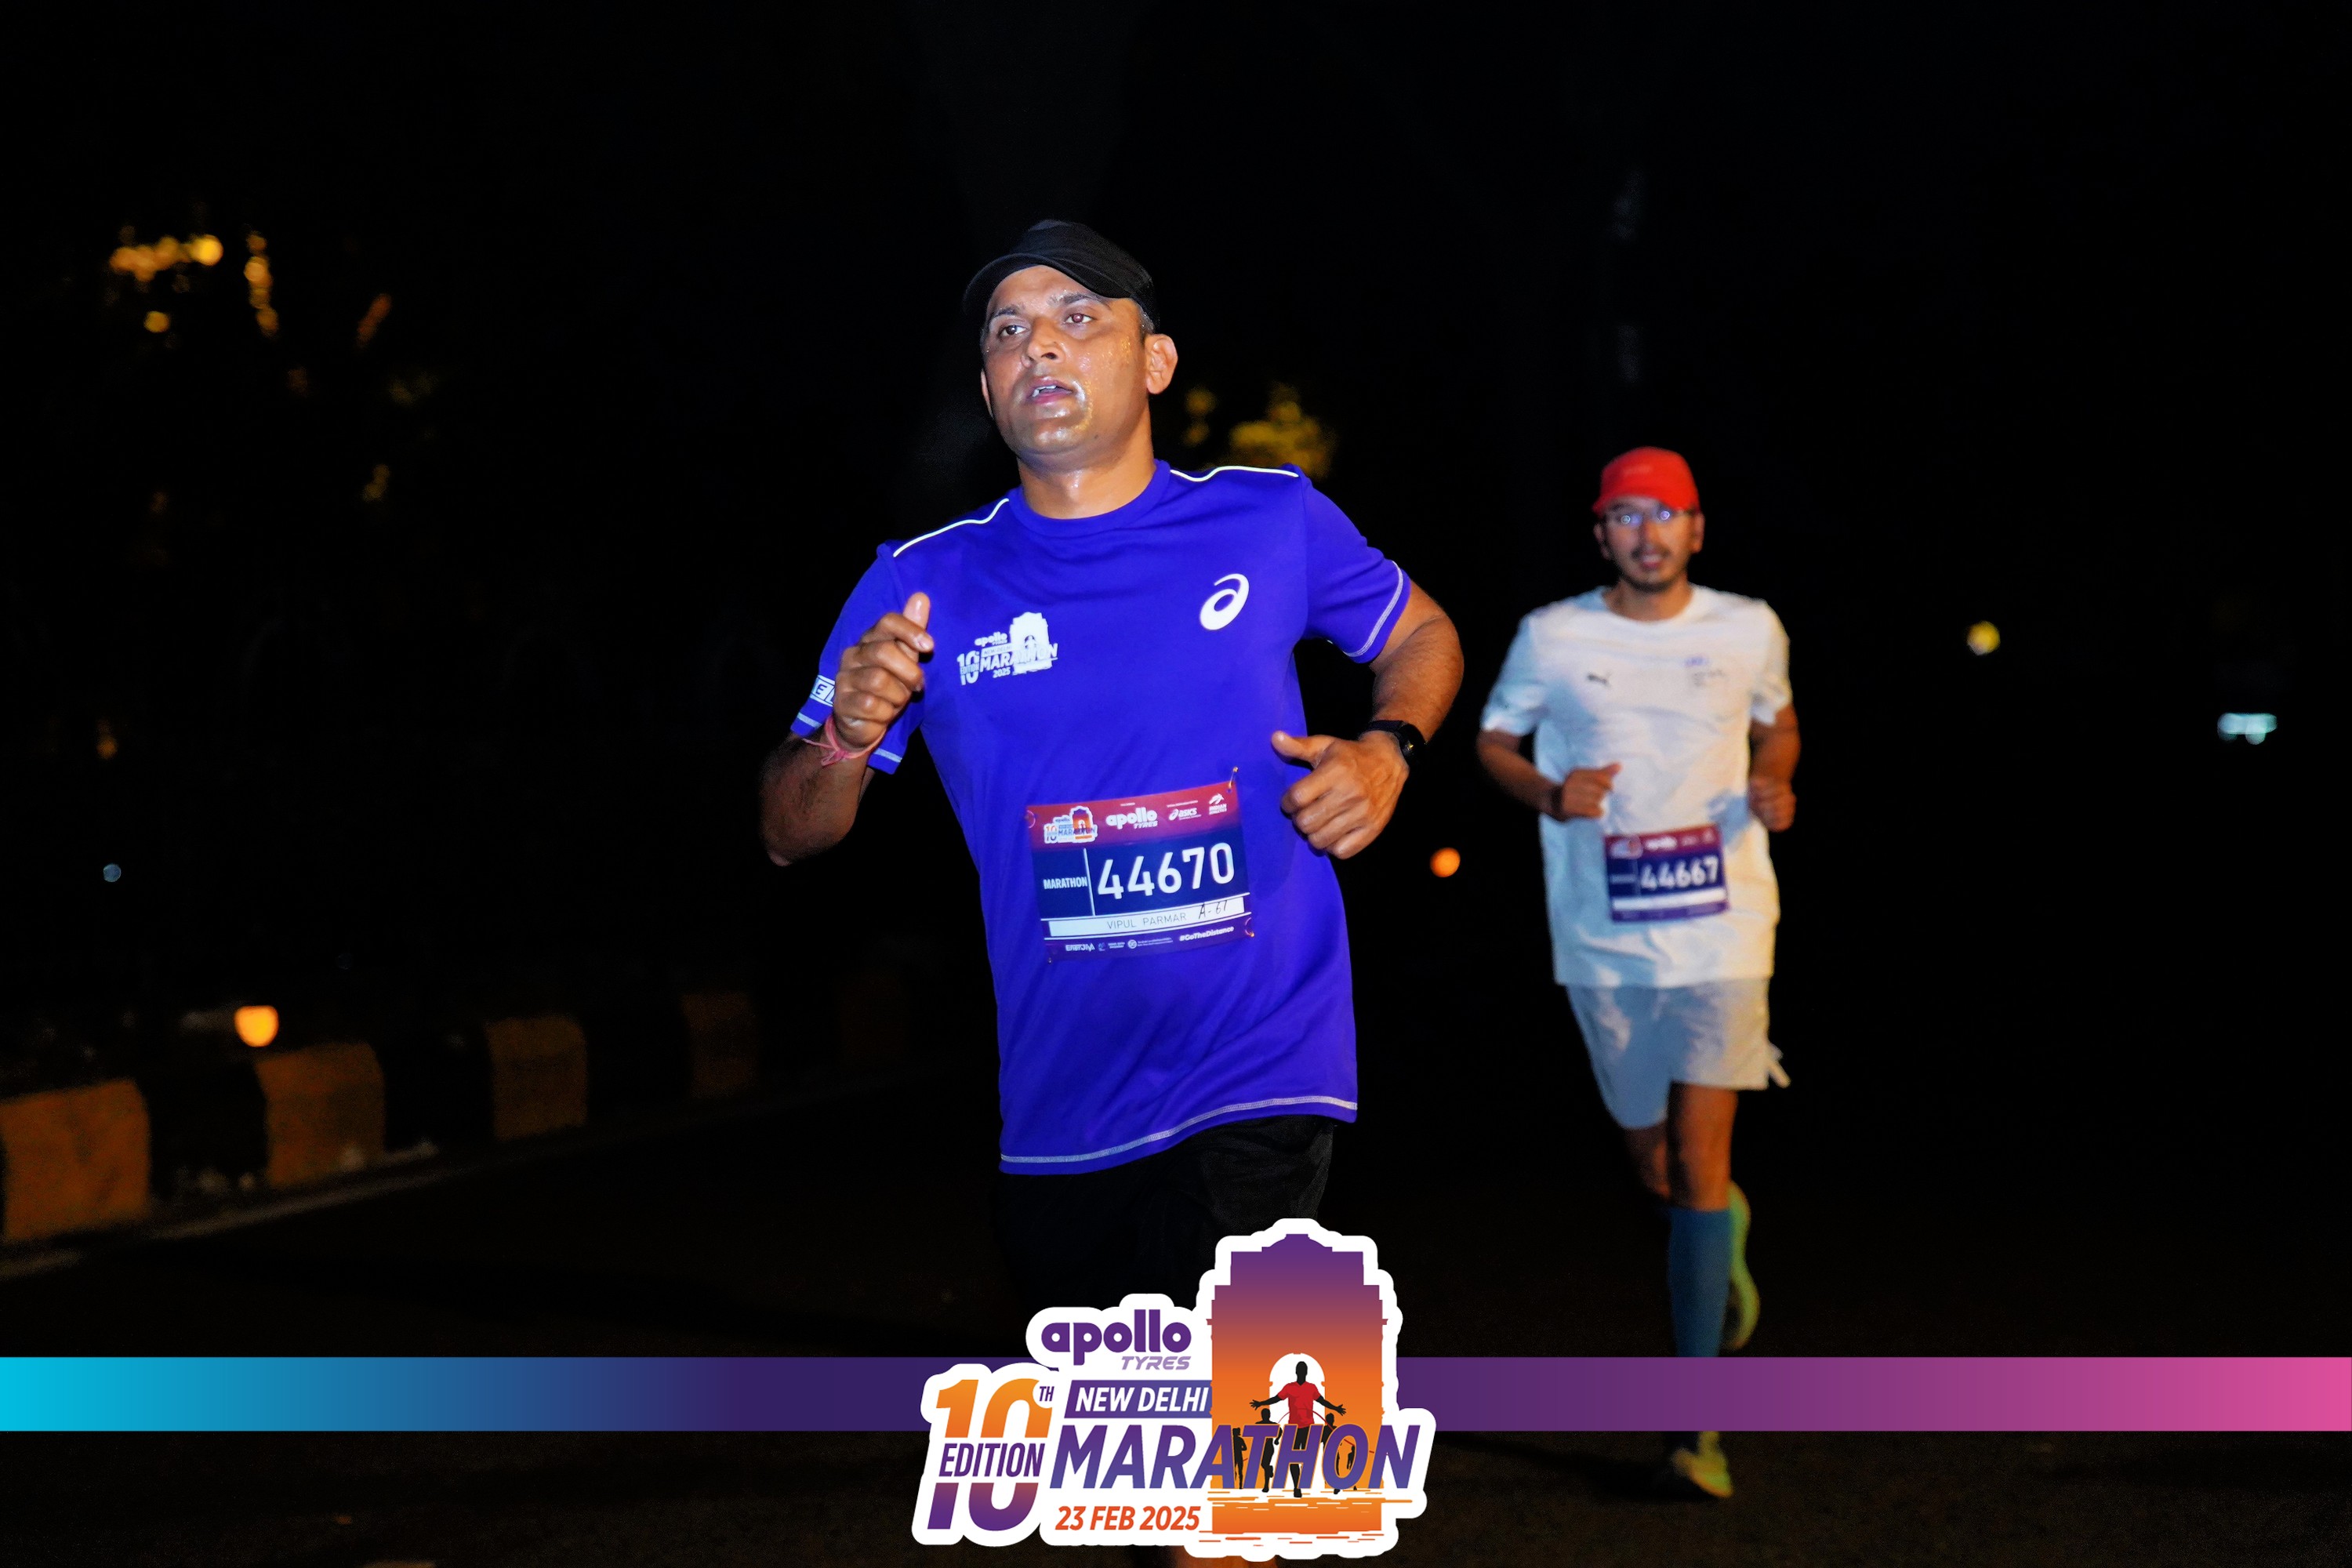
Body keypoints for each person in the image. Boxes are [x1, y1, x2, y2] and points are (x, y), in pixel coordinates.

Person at [760, 220, 1462, 1319]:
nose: (1038, 345)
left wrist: (1390, 750)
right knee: (1114, 1424)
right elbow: (789, 831)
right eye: (1007, 333)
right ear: (988, 390)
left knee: (1225, 1400)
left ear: (1156, 361)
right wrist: (844, 733)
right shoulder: (919, 583)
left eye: (1078, 318)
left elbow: (1422, 635)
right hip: (1062, 1104)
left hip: (1260, 1058)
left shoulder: (1268, 518)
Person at [1475, 445, 1798, 1501]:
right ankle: (1720, 1231)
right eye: (1628, 515)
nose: (1649, 533)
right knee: (1657, 1169)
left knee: (1700, 1161)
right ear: (1601, 532)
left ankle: (1696, 1433)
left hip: (1723, 928)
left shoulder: (1749, 626)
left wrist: (1773, 777)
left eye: (1668, 514)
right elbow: (1493, 739)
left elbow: (1778, 721)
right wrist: (1549, 792)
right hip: (1604, 936)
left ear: (1697, 528)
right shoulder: (1553, 636)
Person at [1250, 1359, 1345, 1496]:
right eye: (1300, 1370)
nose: (1302, 1372)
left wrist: (1335, 1408)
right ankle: (1297, 1487)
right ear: (1297, 1372)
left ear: (1306, 1372)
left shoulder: (1311, 1388)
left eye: (1303, 1370)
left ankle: (1334, 1482)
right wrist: (1261, 1403)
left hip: (1309, 1428)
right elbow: (1276, 1399)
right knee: (1292, 1459)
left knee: (1312, 1458)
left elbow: (1322, 1401)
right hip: (1294, 1429)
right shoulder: (1289, 1387)